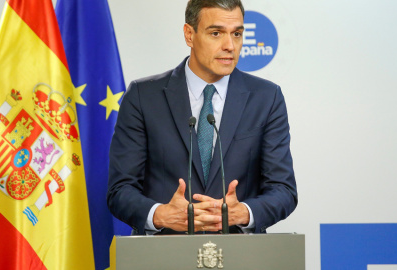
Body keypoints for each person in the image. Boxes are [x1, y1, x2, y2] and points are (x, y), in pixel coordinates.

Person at [107, 0, 297, 235]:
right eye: (216, 33)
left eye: (237, 34)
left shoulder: (266, 98)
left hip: (240, 254)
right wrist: (160, 214)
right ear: (189, 35)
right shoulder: (142, 96)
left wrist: (244, 212)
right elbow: (120, 190)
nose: (230, 45)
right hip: (164, 254)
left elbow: (283, 190)